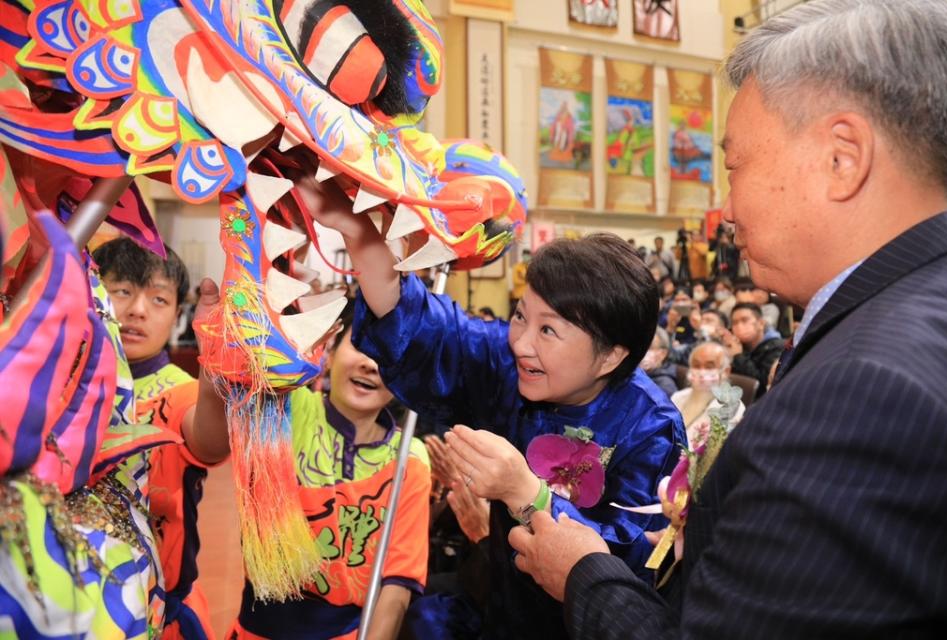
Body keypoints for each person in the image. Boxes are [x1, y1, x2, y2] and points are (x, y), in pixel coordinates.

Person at [507, 0, 947, 636]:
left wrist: (584, 572)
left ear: (842, 157)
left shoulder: (864, 392)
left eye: (734, 166)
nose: (725, 207)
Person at [300, 178, 683, 640]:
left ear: (611, 356)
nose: (520, 342)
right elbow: (428, 330)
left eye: (549, 331)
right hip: (501, 605)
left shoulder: (651, 427)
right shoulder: (508, 365)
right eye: (521, 315)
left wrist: (526, 491)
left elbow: (638, 568)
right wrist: (356, 230)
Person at [229, 299, 430, 640]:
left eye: (388, 357)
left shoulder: (410, 458)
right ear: (331, 348)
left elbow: (397, 585)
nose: (370, 363)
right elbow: (248, 347)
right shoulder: (283, 409)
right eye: (360, 344)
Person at [93, 237, 230, 640]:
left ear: (176, 313)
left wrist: (216, 368)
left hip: (156, 608)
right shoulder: (66, 382)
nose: (137, 310)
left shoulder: (179, 391)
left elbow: (211, 440)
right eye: (122, 291)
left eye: (158, 299)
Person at [670, 341, 745, 447]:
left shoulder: (733, 407)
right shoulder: (677, 397)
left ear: (726, 371)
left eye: (709, 367)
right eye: (696, 366)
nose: (702, 372)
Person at [725, 302, 784, 398]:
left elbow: (762, 385)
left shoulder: (777, 347)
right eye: (735, 323)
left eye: (744, 320)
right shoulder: (736, 345)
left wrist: (738, 356)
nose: (739, 326)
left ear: (761, 323)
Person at [640, 327, 678, 396]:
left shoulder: (665, 386)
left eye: (649, 347)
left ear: (663, 354)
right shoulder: (632, 374)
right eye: (640, 346)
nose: (641, 351)